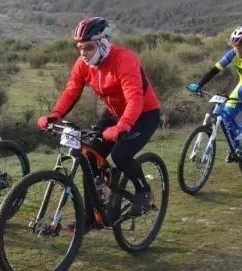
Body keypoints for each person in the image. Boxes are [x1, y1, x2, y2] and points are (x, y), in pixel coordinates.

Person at [36, 16, 161, 232]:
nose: (83, 53)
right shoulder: (83, 65)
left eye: (88, 47)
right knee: (88, 156)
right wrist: (54, 116)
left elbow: (135, 98)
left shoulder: (124, 60)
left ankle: (143, 191)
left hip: (143, 114)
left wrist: (123, 126)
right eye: (80, 48)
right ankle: (91, 217)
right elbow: (72, 91)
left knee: (121, 154)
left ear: (103, 44)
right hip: (113, 114)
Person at [188, 26, 242, 156]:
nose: (237, 50)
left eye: (241, 47)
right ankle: (236, 146)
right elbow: (214, 70)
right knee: (225, 116)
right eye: (235, 47)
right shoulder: (232, 54)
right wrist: (199, 85)